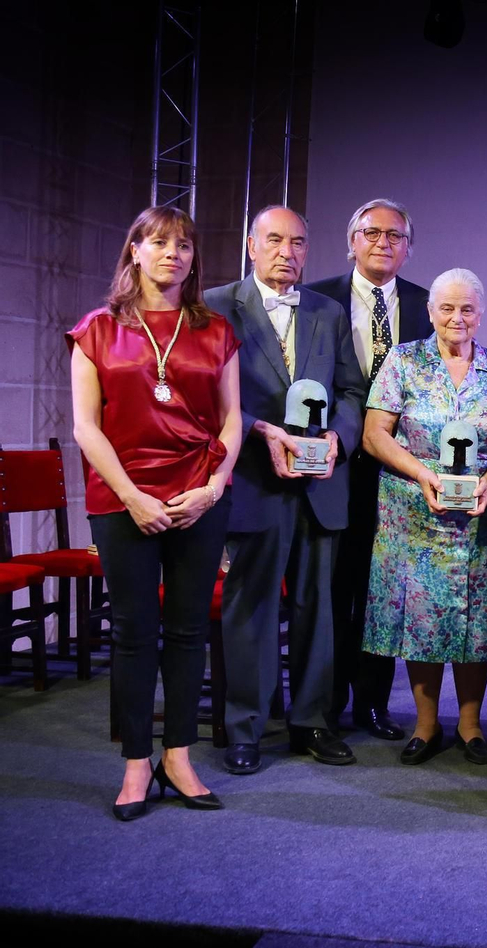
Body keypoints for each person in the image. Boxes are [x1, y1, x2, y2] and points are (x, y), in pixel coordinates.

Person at [69, 207, 242, 820]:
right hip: (123, 497)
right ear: (135, 251)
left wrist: (214, 487)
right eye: (161, 242)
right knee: (134, 633)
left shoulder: (216, 330)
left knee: (190, 631)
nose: (174, 253)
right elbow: (85, 427)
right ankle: (137, 763)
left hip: (199, 496)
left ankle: (179, 757)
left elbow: (232, 419)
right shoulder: (96, 329)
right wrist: (132, 496)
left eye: (185, 245)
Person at [204, 206, 364, 775]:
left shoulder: (328, 310)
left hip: (320, 485)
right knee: (251, 607)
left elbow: (352, 391)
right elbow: (208, 396)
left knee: (318, 607)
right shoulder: (216, 305)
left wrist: (338, 439)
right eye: (274, 240)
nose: (286, 252)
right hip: (254, 481)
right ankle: (245, 727)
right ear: (252, 245)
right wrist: (263, 432)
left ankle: (312, 722)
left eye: (297, 242)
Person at [360, 268, 487, 765]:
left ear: (481, 313)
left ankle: (472, 726)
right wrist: (422, 475)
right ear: (431, 311)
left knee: (476, 619)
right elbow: (374, 434)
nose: (458, 317)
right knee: (422, 616)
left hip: (480, 511)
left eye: (467, 309)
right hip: (413, 512)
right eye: (447, 308)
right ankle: (426, 724)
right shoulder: (404, 361)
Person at [305, 198, 431, 742]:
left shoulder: (428, 304)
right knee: (335, 587)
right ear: (351, 240)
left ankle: (373, 705)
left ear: (408, 246)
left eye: (395, 235)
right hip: (334, 467)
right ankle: (326, 704)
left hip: (402, 473)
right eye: (371, 232)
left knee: (384, 590)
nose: (383, 242)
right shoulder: (316, 299)